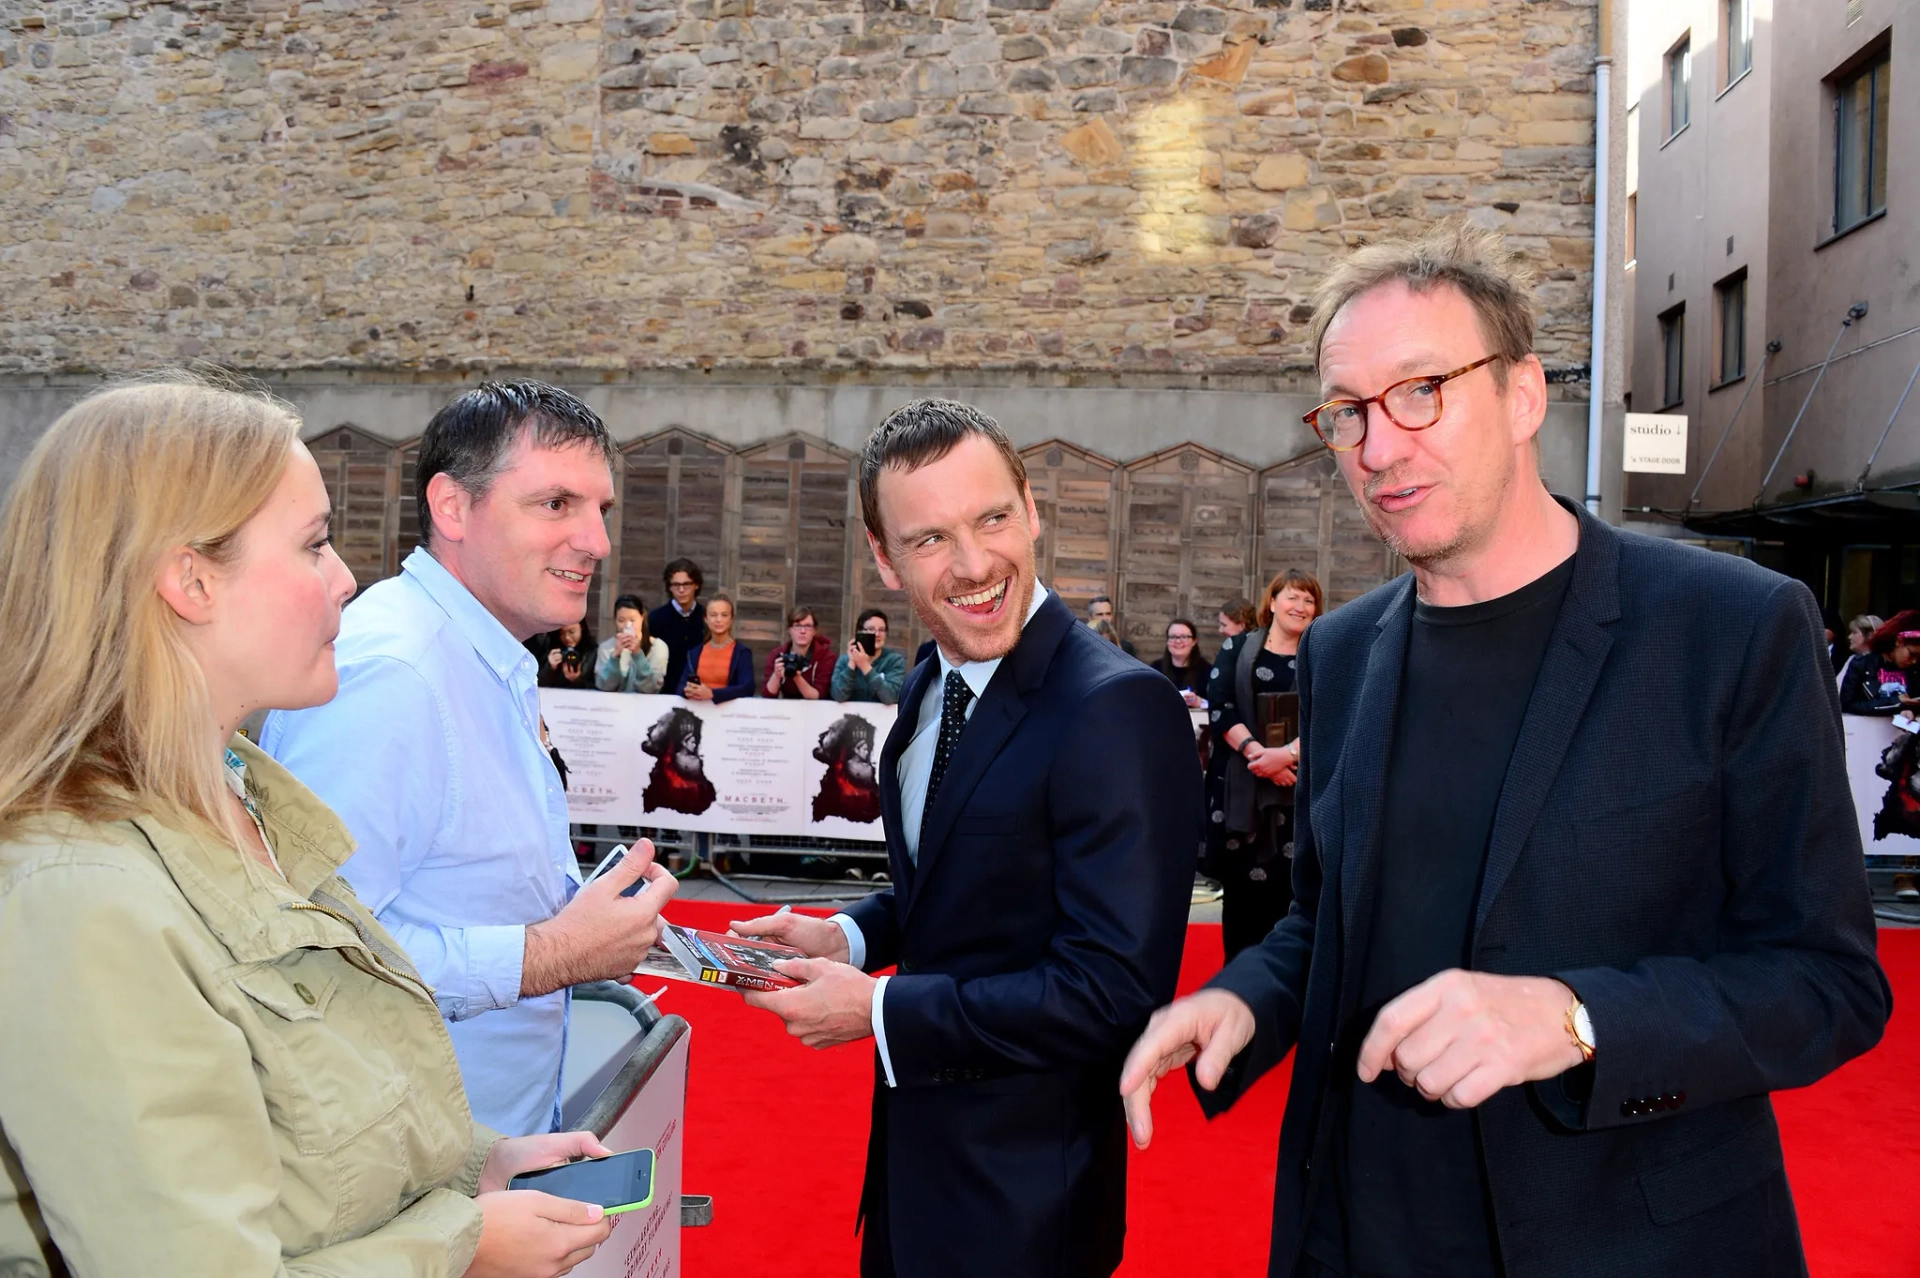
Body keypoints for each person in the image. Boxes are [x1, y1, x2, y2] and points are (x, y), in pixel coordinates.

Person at [1119, 222, 1889, 1278]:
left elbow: (1826, 981)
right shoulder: (1344, 651)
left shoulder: (1731, 627)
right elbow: (1329, 915)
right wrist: (1247, 996)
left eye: (1421, 389)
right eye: (1348, 413)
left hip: (1622, 1241)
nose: (1378, 447)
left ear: (1525, 396)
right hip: (1358, 1231)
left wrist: (1575, 1020)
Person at [0, 376, 623, 1277]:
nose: (346, 578)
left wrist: (468, 1164)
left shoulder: (235, 793)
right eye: (314, 544)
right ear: (189, 580)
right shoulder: (77, 894)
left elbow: (306, 1077)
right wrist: (460, 1244)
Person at [733, 399, 1201, 1278]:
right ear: (883, 555)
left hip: (1024, 1206)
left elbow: (1111, 994)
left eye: (991, 518)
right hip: (913, 1175)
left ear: (1031, 507)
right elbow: (964, 882)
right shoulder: (929, 683)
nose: (976, 564)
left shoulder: (1115, 708)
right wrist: (851, 935)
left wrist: (875, 1011)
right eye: (930, 539)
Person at [264, 380, 679, 1137]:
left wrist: (583, 927)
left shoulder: (480, 655)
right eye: (557, 504)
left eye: (600, 510)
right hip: (404, 1181)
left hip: (467, 1163)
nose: (597, 541)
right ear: (452, 507)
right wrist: (553, 953)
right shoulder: (395, 674)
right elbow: (311, 954)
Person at [1202, 571, 1318, 962]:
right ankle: (1237, 990)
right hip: (1243, 793)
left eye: (1309, 601)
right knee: (1241, 903)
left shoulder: (1324, 652)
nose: (1300, 607)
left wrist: (1285, 756)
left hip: (1298, 790)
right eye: (1293, 598)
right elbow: (1219, 707)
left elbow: (1332, 716)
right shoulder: (1237, 648)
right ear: (1272, 602)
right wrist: (1259, 756)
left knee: (1292, 899)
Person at [675, 591, 754, 703]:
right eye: (713, 615)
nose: (718, 620)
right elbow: (680, 687)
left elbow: (747, 688)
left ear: (731, 619)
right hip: (698, 714)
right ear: (706, 619)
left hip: (729, 716)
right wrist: (687, 691)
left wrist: (712, 693)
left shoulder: (741, 652)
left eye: (724, 615)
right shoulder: (695, 653)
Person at [649, 558, 706, 694]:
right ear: (669, 587)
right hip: (663, 693)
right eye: (676, 585)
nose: (681, 590)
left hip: (700, 693)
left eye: (686, 584)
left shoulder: (707, 617)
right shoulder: (655, 618)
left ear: (696, 585)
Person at [596, 593, 669, 694]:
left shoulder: (658, 647)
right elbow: (605, 686)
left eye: (632, 620)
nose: (627, 625)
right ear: (615, 620)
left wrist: (638, 654)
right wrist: (615, 657)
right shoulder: (605, 648)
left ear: (642, 618)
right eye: (621, 620)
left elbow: (651, 688)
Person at [833, 607, 909, 704]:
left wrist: (865, 666)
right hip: (850, 717)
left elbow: (890, 697)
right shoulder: (844, 660)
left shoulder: (894, 661)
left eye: (881, 630)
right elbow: (838, 696)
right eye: (871, 629)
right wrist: (852, 664)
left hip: (882, 718)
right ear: (859, 632)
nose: (877, 634)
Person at [763, 605, 835, 700]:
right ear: (789, 630)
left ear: (814, 631)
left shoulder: (826, 657)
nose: (803, 631)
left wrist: (796, 676)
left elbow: (818, 695)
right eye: (797, 626)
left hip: (816, 711)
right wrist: (776, 675)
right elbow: (767, 695)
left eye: (808, 626)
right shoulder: (778, 655)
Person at [1150, 616, 1213, 706]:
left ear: (1194, 641)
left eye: (1184, 637)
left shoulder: (1207, 671)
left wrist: (1199, 702)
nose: (1178, 641)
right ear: (1167, 641)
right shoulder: (1155, 669)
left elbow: (1217, 706)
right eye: (1173, 637)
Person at [529, 619, 595, 690]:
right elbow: (536, 684)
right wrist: (550, 668)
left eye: (571, 632)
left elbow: (600, 687)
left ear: (582, 628)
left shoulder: (593, 652)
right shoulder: (551, 648)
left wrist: (577, 680)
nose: (567, 637)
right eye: (561, 633)